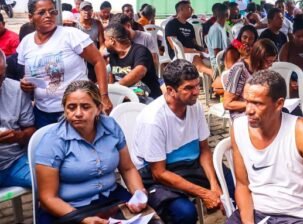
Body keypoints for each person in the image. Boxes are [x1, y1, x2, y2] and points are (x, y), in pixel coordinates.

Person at [35, 81, 147, 224]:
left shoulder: (111, 127)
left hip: (112, 197)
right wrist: (83, 219)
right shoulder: (53, 140)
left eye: (85, 107)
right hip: (67, 209)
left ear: (98, 108)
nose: (78, 113)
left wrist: (139, 194)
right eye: (71, 107)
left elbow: (127, 168)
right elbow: (47, 198)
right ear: (65, 109)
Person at [228, 70, 303, 224]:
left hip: (294, 216)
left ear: (279, 104)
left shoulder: (301, 131)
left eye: (257, 103)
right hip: (255, 212)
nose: (249, 110)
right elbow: (242, 185)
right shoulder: (238, 127)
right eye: (247, 101)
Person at [131, 60, 223, 224]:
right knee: (185, 213)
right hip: (157, 174)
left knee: (233, 184)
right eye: (189, 88)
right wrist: (204, 193)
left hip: (191, 165)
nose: (196, 92)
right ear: (170, 90)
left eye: (197, 85)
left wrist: (214, 185)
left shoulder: (195, 105)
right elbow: (159, 173)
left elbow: (204, 149)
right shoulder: (153, 120)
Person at [18, 0, 110, 127]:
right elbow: (27, 74)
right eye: (42, 12)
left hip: (77, 110)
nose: (48, 15)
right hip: (42, 112)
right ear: (30, 17)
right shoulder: (26, 42)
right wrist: (25, 83)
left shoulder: (70, 35)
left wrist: (104, 96)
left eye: (52, 11)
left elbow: (98, 61)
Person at [0, 50, 35, 189]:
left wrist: (18, 136)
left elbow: (30, 129)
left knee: (48, 181)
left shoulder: (16, 90)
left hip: (13, 162)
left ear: (5, 69)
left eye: (0, 77)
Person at [224, 39, 278, 120]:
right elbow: (227, 104)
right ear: (258, 59)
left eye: (272, 61)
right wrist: (256, 104)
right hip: (242, 114)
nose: (270, 65)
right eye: (268, 61)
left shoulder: (261, 69)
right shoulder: (239, 69)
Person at [105, 23, 162, 100]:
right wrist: (111, 91)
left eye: (105, 40)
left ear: (112, 40)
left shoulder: (140, 51)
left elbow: (139, 71)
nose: (104, 43)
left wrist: (117, 87)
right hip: (124, 94)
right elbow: (111, 77)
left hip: (148, 96)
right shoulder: (113, 54)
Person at [164, 0, 213, 77]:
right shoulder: (171, 25)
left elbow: (195, 44)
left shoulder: (190, 26)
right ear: (181, 9)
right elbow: (175, 47)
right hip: (178, 54)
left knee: (212, 56)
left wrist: (203, 49)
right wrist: (195, 51)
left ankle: (213, 75)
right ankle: (211, 72)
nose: (192, 10)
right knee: (196, 57)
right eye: (189, 8)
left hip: (193, 52)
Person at [206, 3, 230, 72]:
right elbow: (217, 53)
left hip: (224, 60)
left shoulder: (223, 27)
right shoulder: (216, 29)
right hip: (218, 65)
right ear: (227, 14)